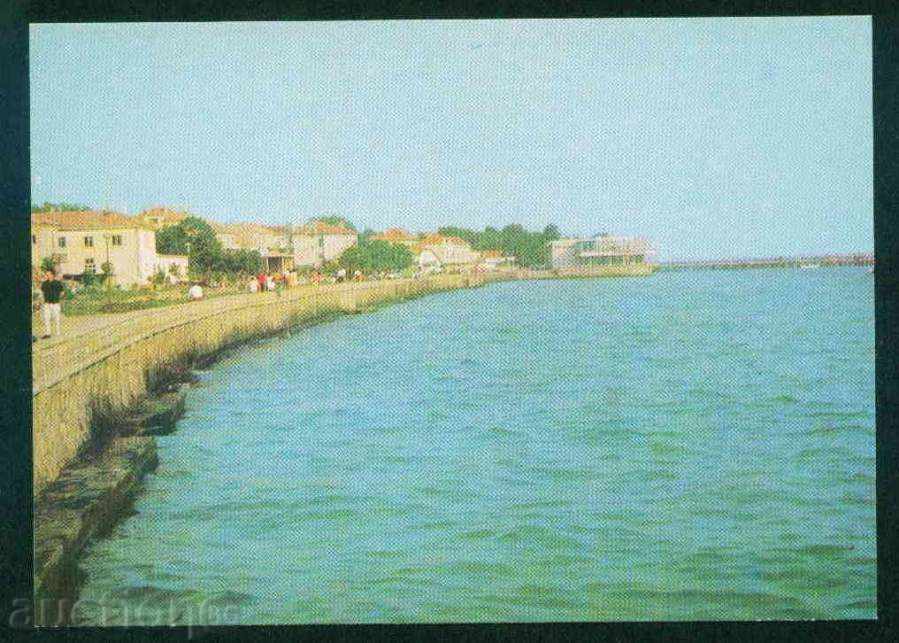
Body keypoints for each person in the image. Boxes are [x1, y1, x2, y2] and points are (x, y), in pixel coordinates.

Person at [39, 269, 64, 338]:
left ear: (52, 275)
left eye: (48, 274)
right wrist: (42, 301)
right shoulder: (44, 283)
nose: (47, 276)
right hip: (47, 303)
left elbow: (62, 292)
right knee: (46, 318)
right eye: (46, 274)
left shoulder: (57, 283)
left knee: (56, 318)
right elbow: (42, 292)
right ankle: (48, 333)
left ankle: (58, 332)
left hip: (55, 304)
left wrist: (58, 298)